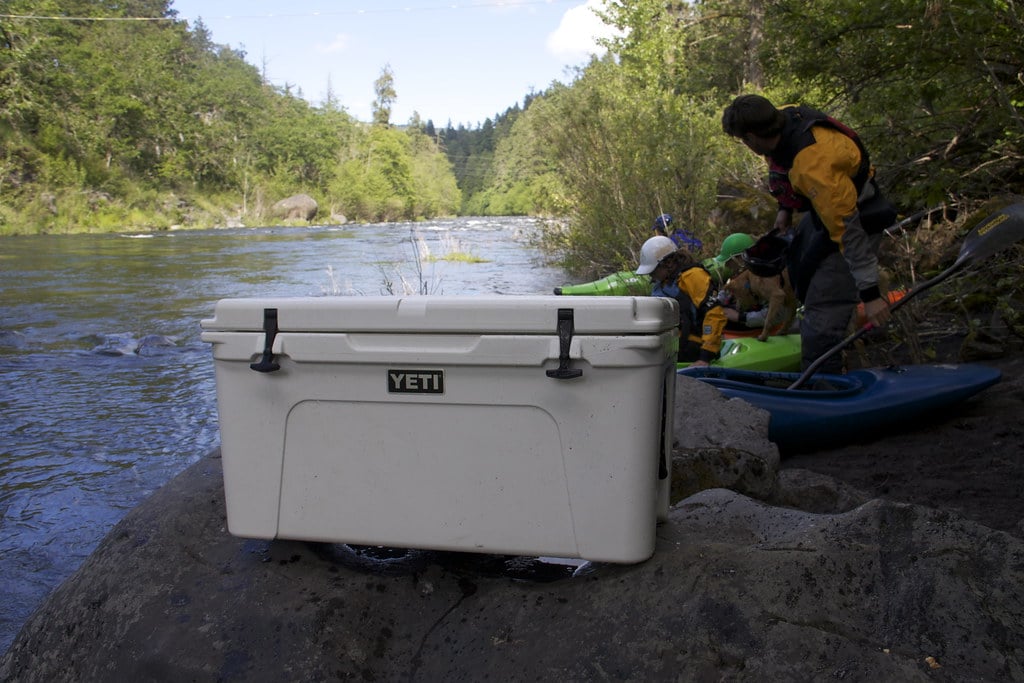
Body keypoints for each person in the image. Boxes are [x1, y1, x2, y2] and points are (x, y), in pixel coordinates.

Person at [721, 94, 896, 372]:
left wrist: (871, 295)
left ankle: (823, 384)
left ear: (752, 137)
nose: (746, 144)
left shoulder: (814, 166)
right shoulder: (784, 118)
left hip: (857, 219)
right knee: (800, 269)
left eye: (743, 139)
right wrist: (785, 209)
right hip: (823, 212)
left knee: (822, 307)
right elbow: (781, 166)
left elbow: (848, 232)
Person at [636, 235, 726, 367]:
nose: (651, 275)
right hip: (673, 345)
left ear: (669, 263)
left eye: (654, 270)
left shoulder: (694, 276)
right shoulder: (664, 283)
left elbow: (714, 314)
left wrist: (705, 357)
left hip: (695, 348)